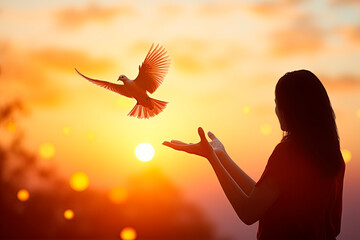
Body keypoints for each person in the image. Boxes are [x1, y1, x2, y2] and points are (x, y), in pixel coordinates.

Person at [163, 70, 345, 240]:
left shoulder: (287, 153)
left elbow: (248, 212)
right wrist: (221, 156)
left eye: (277, 103)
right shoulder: (333, 157)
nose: (276, 110)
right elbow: (260, 198)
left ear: (292, 109)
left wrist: (211, 158)